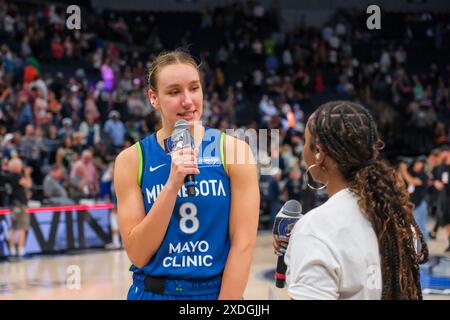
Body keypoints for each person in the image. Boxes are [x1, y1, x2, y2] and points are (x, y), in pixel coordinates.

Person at [114, 50, 259, 300]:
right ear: (153, 98)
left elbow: (243, 245)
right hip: (152, 291)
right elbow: (138, 253)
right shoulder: (131, 160)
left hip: (212, 293)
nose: (188, 101)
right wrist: (172, 185)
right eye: (174, 92)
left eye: (194, 88)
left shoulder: (234, 151)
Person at [274, 101, 428, 299]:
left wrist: (303, 244)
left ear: (319, 153)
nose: (304, 150)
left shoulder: (315, 229)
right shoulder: (400, 220)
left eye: (305, 142)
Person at [5, 157, 32, 258]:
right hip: (20, 204)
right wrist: (27, 175)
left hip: (12, 204)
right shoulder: (17, 176)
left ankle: (11, 251)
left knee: (12, 227)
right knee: (21, 228)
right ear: (16, 166)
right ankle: (21, 251)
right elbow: (28, 184)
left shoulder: (8, 176)